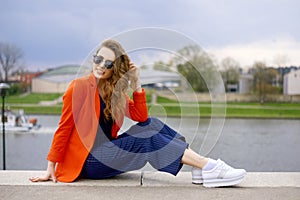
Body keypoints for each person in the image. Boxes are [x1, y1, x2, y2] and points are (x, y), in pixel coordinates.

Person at [29, 39, 246, 187]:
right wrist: (51, 166)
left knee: (153, 125)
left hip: (107, 152)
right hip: (88, 162)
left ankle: (199, 169)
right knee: (147, 137)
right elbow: (64, 127)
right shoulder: (79, 87)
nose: (101, 65)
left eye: (108, 63)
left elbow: (142, 118)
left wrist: (136, 82)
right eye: (98, 59)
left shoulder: (114, 91)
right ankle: (209, 166)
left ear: (115, 67)